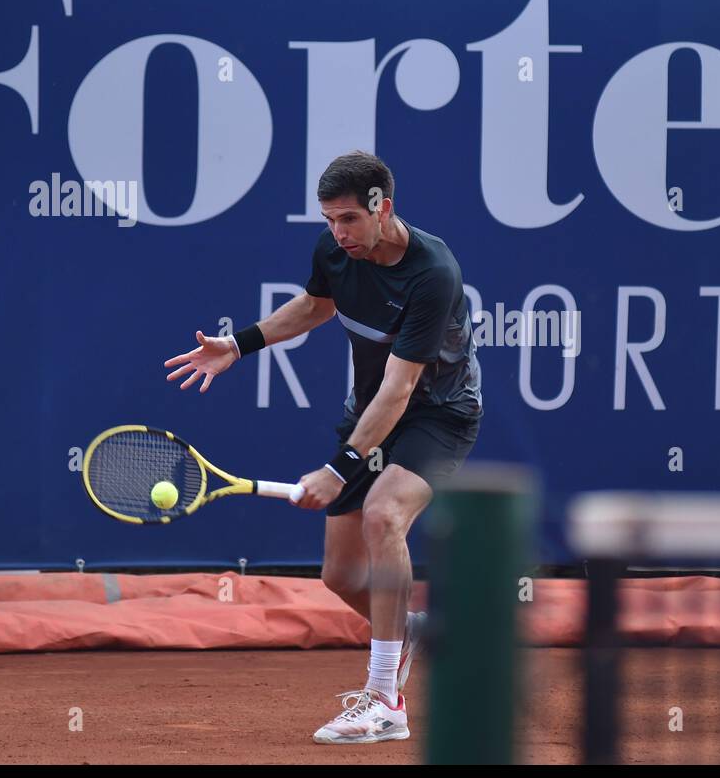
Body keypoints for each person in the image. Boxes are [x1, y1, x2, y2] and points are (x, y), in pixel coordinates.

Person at [163, 150, 482, 744]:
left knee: (385, 515)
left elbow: (401, 386)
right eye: (329, 220)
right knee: (340, 574)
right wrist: (238, 345)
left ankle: (385, 698)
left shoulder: (433, 272)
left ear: (382, 207)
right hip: (368, 412)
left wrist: (340, 467)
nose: (338, 233)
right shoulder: (334, 250)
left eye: (349, 220)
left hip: (439, 415)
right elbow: (315, 306)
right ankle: (406, 629)